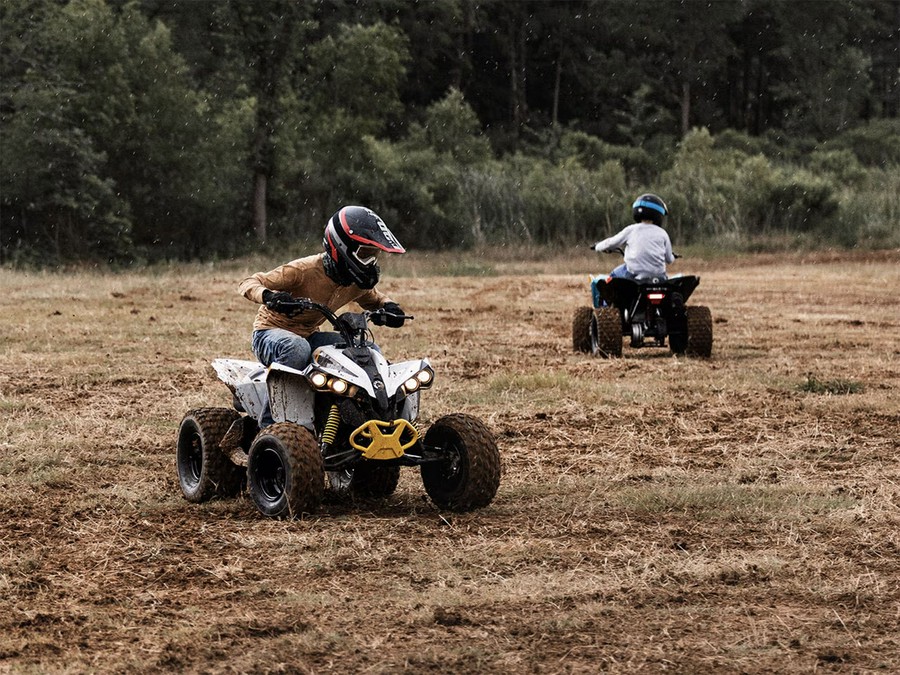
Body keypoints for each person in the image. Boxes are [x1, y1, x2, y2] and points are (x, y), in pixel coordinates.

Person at [239, 205, 408, 374]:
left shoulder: (354, 283)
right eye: (365, 254)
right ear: (343, 247)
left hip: (309, 336)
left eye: (375, 255)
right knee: (297, 349)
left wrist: (390, 307)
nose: (371, 261)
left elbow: (376, 299)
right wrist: (270, 297)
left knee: (368, 351)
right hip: (269, 333)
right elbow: (249, 282)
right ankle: (274, 399)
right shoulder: (303, 270)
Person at [592, 193, 674, 281]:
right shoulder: (663, 233)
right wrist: (672, 256)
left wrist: (597, 246)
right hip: (658, 276)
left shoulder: (631, 230)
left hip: (634, 275)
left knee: (613, 275)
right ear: (659, 214)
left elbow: (610, 243)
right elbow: (669, 260)